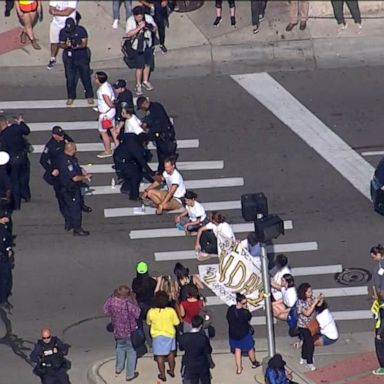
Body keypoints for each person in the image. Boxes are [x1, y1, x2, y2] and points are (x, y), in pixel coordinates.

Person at [103, 285, 141, 381]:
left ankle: (118, 368)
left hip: (117, 331)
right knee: (131, 351)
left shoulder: (112, 301)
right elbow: (137, 314)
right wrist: (134, 300)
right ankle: (129, 374)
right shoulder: (128, 304)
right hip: (129, 331)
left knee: (120, 348)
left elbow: (105, 310)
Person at [40, 126, 74, 229]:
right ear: (54, 136)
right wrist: (51, 170)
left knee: (75, 191)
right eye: (60, 135)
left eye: (62, 134)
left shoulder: (65, 139)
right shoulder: (50, 146)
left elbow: (72, 144)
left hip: (68, 170)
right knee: (62, 198)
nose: (62, 137)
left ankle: (80, 205)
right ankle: (68, 221)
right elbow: (43, 160)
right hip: (58, 175)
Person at [57, 142, 91, 236]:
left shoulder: (64, 157)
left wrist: (81, 170)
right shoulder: (67, 162)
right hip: (70, 188)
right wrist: (85, 177)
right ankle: (77, 229)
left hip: (65, 187)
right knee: (75, 209)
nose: (76, 151)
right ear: (71, 150)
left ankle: (70, 224)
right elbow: (75, 178)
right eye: (74, 149)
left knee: (68, 207)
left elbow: (75, 167)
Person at [59, 17, 94, 106]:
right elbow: (61, 44)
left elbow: (84, 43)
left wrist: (77, 46)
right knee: (70, 79)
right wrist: (66, 45)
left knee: (85, 77)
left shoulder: (81, 30)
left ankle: (89, 96)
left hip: (81, 56)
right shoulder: (63, 32)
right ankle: (70, 96)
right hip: (69, 58)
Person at [146, 290, 180, 382]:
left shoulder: (151, 311)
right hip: (170, 334)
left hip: (157, 336)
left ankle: (162, 374)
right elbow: (176, 323)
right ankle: (172, 371)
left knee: (159, 356)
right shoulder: (171, 311)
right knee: (171, 353)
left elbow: (148, 322)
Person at [137, 96, 176, 173]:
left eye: (141, 107)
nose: (142, 110)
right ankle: (162, 173)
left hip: (165, 137)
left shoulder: (153, 110)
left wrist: (145, 130)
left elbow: (150, 122)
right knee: (163, 158)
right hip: (163, 137)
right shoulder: (155, 106)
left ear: (144, 103)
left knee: (165, 158)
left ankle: (166, 174)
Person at [0, 114, 31, 210]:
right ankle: (26, 195)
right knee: (24, 177)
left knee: (15, 181)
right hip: (23, 157)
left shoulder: (2, 136)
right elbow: (26, 131)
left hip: (11, 160)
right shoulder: (15, 129)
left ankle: (16, 203)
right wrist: (21, 121)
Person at [125, 6, 157, 96]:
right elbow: (128, 34)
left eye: (141, 16)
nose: (139, 18)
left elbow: (155, 28)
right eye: (137, 16)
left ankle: (145, 81)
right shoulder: (130, 21)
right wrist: (139, 28)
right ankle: (138, 84)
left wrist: (148, 26)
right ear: (134, 16)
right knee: (139, 67)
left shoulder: (148, 18)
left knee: (147, 64)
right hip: (137, 46)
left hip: (147, 44)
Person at [113, 133, 155, 200]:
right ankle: (134, 196)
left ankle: (126, 186)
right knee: (135, 176)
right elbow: (142, 162)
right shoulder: (135, 147)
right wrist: (151, 173)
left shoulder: (132, 136)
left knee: (133, 170)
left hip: (117, 155)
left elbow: (119, 136)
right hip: (123, 162)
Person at [226, 293, 260, 374]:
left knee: (237, 349)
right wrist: (246, 309)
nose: (245, 304)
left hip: (233, 333)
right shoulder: (245, 313)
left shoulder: (231, 309)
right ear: (239, 302)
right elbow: (248, 318)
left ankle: (239, 368)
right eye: (244, 303)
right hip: (244, 334)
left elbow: (227, 317)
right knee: (250, 348)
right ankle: (254, 362)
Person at [296, 282, 323, 371]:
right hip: (303, 326)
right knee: (310, 343)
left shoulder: (310, 299)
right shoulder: (300, 302)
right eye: (309, 292)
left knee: (307, 342)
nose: (311, 293)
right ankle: (309, 362)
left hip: (312, 324)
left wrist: (320, 300)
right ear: (304, 292)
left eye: (311, 291)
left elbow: (318, 306)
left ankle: (303, 357)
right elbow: (307, 313)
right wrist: (314, 303)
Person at [179, 315, 212, 384]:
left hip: (189, 363)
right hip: (202, 364)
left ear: (191, 324)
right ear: (201, 325)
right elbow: (208, 350)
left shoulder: (184, 337)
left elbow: (181, 348)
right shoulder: (203, 338)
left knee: (193, 381)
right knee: (205, 381)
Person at [132, 261, 157, 345]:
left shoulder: (135, 282)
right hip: (151, 304)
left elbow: (135, 292)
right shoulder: (152, 282)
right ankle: (154, 339)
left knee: (144, 324)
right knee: (152, 323)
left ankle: (148, 342)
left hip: (141, 305)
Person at [48, 0, 78, 69]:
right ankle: (52, 58)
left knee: (71, 42)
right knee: (54, 42)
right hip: (56, 24)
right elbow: (50, 10)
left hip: (69, 25)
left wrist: (55, 12)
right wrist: (58, 12)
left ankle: (73, 58)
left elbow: (67, 12)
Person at [94, 71, 116, 158]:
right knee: (112, 129)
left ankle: (108, 150)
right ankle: (117, 144)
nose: (94, 79)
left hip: (105, 114)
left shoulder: (103, 90)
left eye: (96, 78)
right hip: (111, 112)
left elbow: (109, 103)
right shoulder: (107, 85)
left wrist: (101, 109)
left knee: (103, 132)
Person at [372, 297, 384, 375]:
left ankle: (383, 367)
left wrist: (379, 333)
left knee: (380, 349)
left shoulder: (382, 307)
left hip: (381, 332)